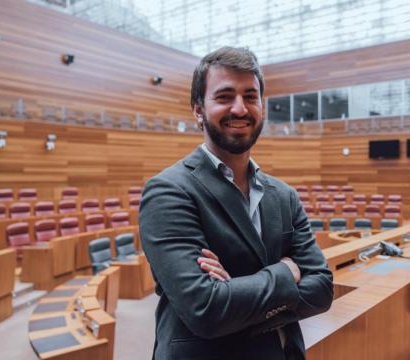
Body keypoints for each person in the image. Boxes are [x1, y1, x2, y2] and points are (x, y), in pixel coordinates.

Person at [139, 46, 334, 360]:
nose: (240, 109)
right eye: (224, 96)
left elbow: (322, 289)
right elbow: (206, 309)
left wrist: (236, 294)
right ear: (198, 109)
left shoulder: (284, 195)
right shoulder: (169, 191)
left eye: (250, 96)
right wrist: (287, 271)